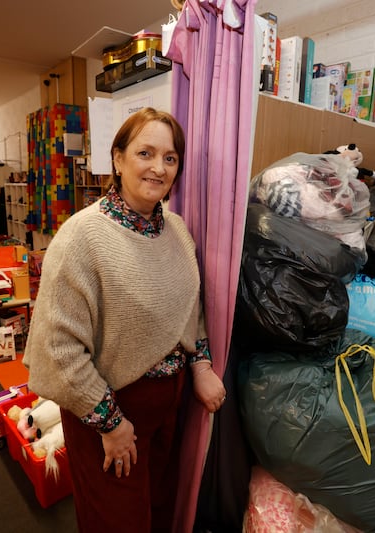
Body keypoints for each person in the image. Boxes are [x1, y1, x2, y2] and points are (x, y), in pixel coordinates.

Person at [22, 107, 225, 533]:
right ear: (117, 158)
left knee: (161, 512)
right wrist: (111, 424)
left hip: (169, 405)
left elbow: (191, 308)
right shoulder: (82, 236)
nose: (158, 167)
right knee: (118, 522)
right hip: (110, 412)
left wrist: (201, 365)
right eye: (145, 153)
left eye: (170, 158)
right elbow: (57, 348)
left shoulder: (176, 230)